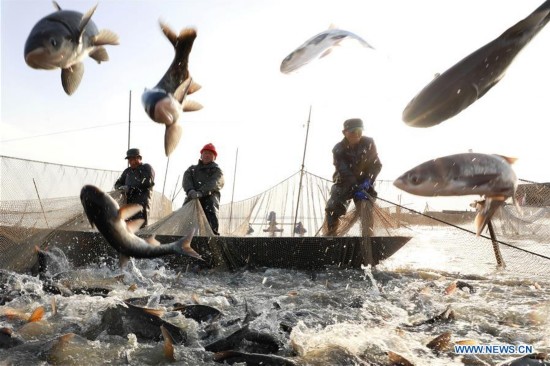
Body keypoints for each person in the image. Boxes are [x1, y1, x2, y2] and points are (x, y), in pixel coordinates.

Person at [325, 118, 382, 236]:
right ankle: (331, 234)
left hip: (364, 181)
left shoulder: (369, 143)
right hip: (343, 181)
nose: (356, 134)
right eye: (352, 131)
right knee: (333, 206)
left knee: (366, 206)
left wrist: (368, 181)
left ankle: (368, 236)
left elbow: (376, 164)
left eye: (359, 131)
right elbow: (343, 170)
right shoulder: (338, 148)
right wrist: (355, 186)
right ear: (344, 132)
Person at [182, 143, 225, 235]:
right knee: (185, 213)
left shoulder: (217, 170)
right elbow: (186, 180)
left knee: (210, 210)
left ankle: (212, 236)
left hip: (210, 196)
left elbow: (215, 182)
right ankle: (184, 237)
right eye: (205, 153)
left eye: (210, 153)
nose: (207, 155)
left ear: (214, 157)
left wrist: (201, 192)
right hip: (193, 196)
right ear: (201, 155)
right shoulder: (192, 169)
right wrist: (190, 190)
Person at [114, 148, 155, 228]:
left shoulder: (146, 168)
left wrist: (131, 188)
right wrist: (120, 188)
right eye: (130, 159)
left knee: (140, 230)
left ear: (139, 158)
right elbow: (117, 183)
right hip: (128, 207)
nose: (132, 161)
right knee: (127, 229)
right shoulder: (127, 172)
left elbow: (147, 182)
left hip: (141, 207)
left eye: (134, 158)